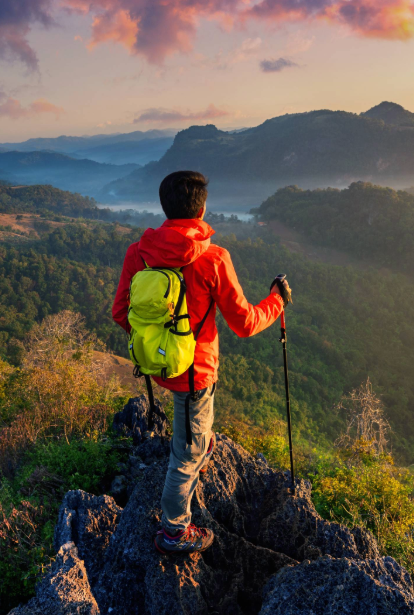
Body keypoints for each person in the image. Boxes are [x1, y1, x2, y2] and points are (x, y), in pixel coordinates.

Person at [112, 170, 292, 555]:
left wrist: (157, 342)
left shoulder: (139, 253)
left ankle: (200, 444)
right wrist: (276, 301)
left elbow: (120, 312)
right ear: (203, 208)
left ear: (164, 207)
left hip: (161, 367)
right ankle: (174, 531)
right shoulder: (214, 258)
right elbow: (243, 323)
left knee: (194, 432)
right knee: (184, 455)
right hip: (196, 373)